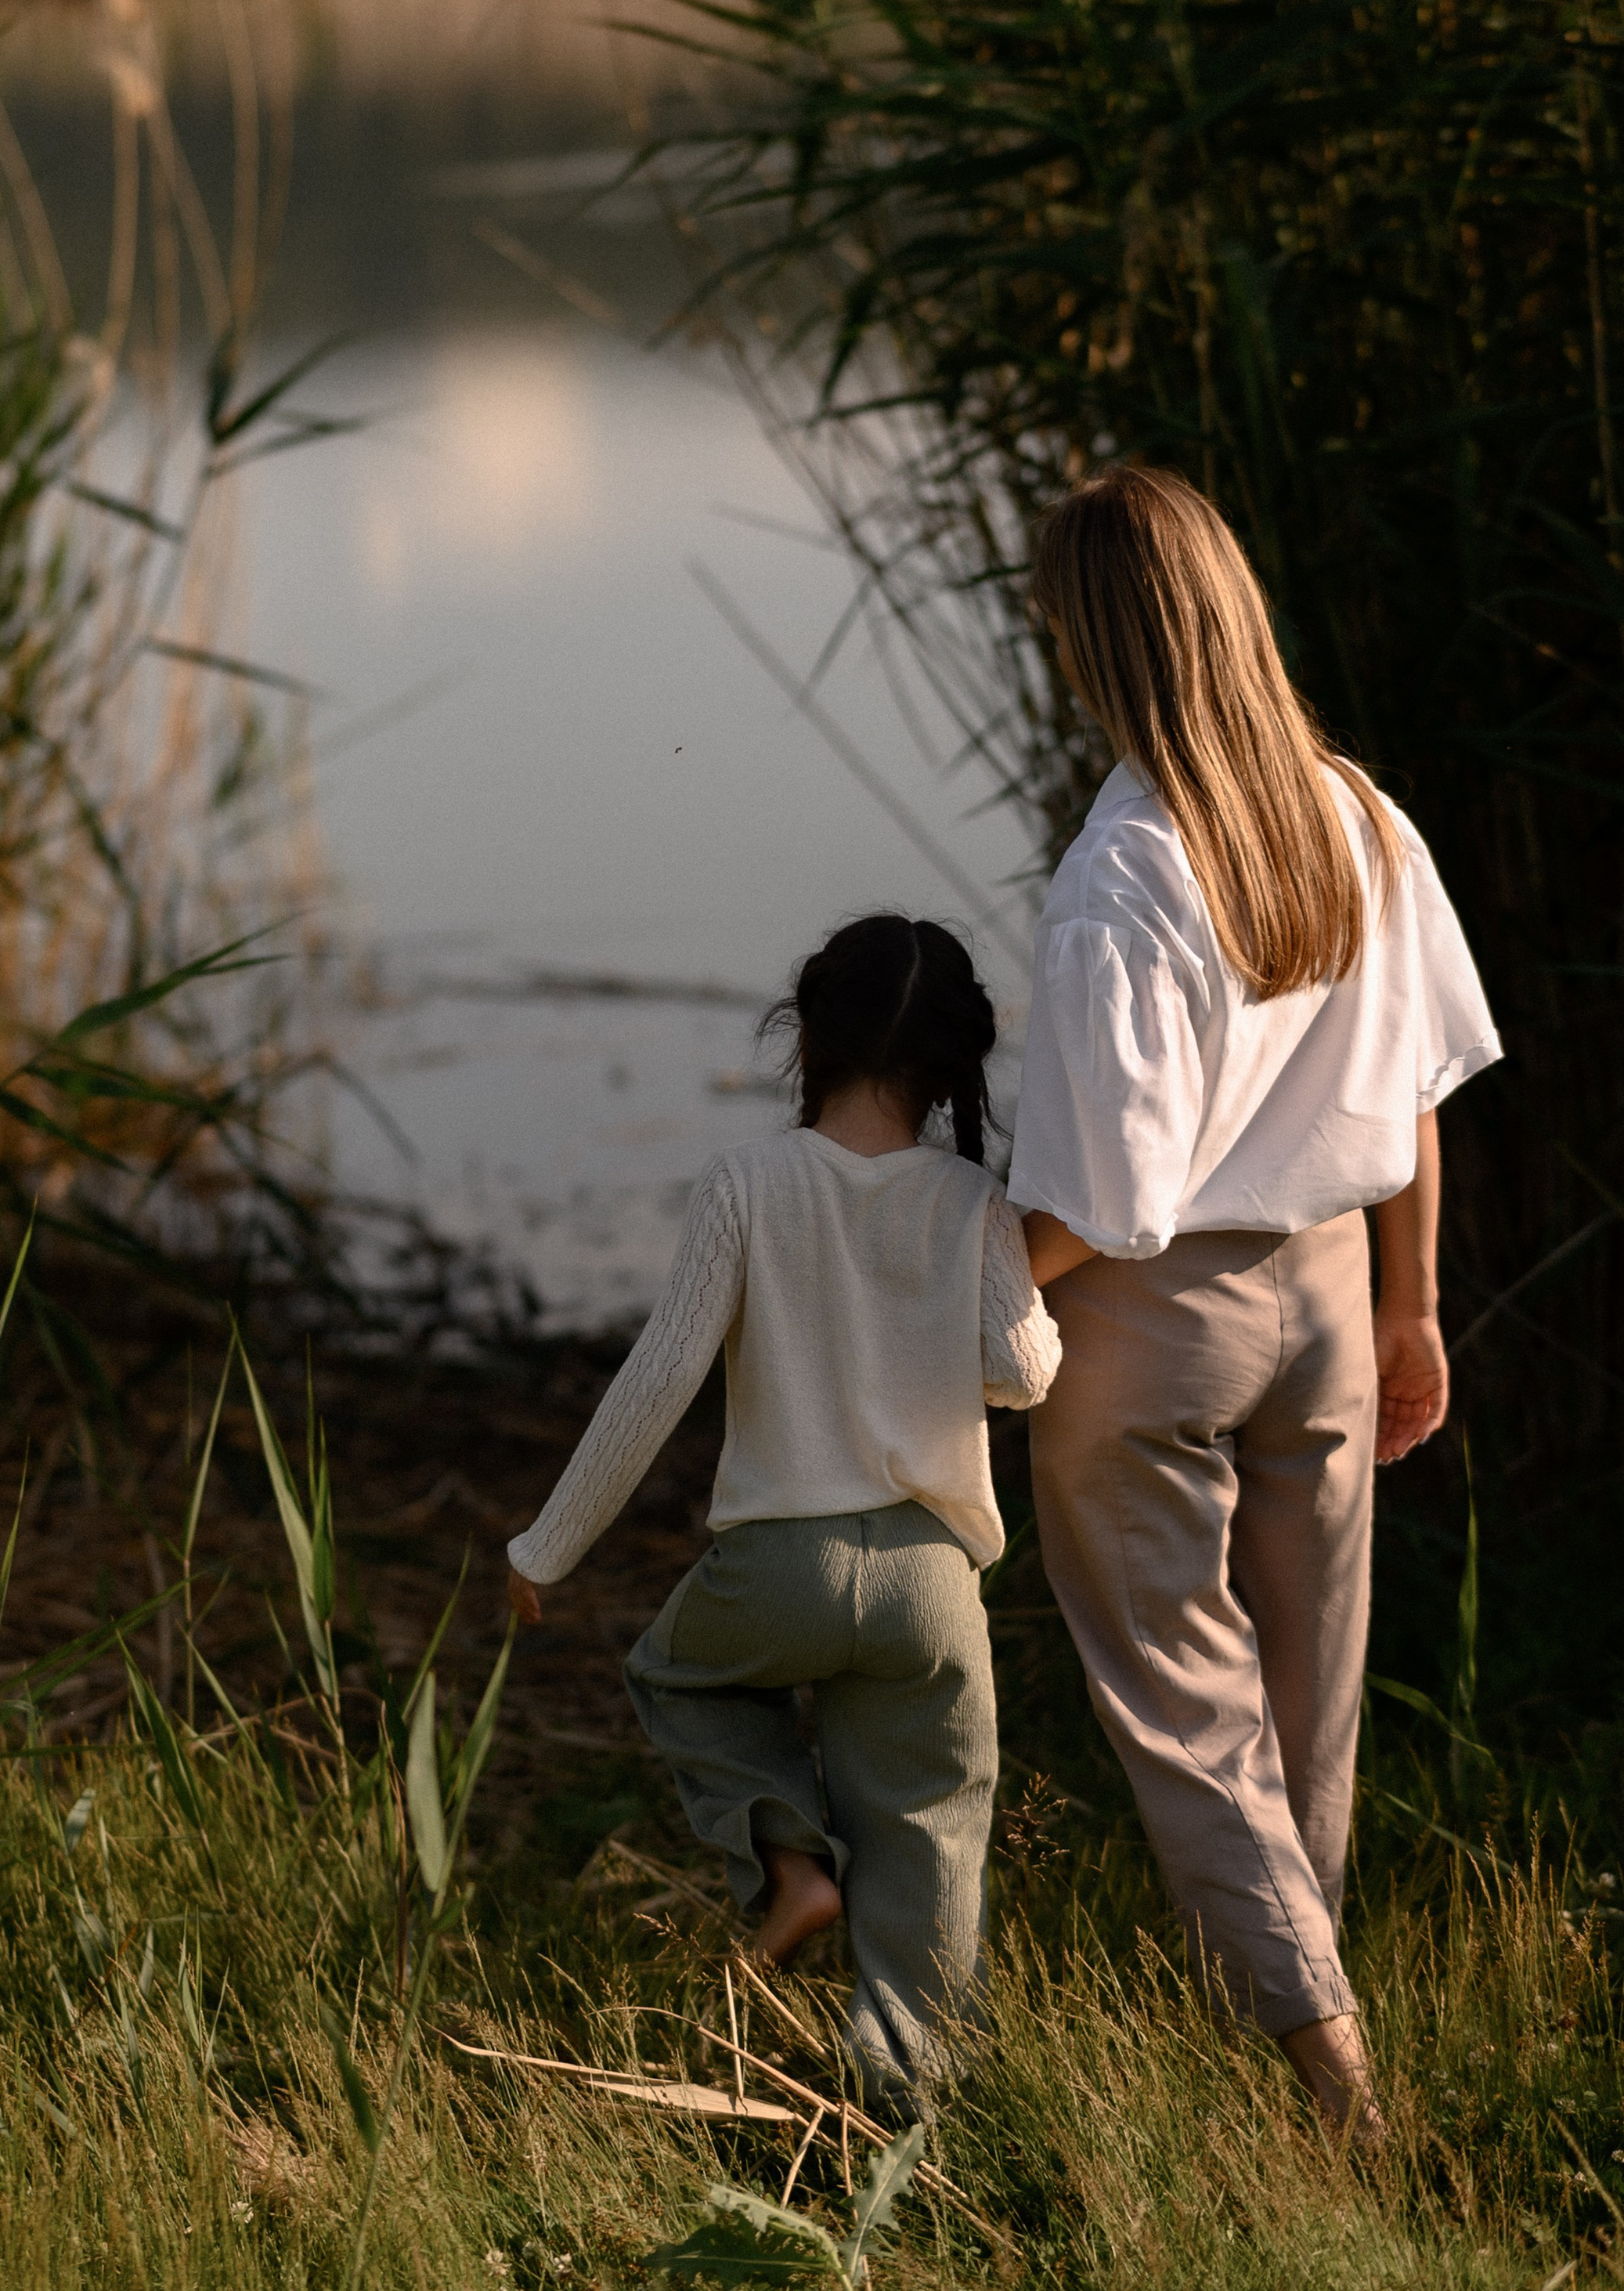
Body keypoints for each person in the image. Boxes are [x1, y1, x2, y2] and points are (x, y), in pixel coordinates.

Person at [1009, 465, 1500, 2137]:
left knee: (1186, 1700)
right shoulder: (1356, 814)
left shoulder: (1125, 870)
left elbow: (1106, 1201)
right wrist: (1411, 1306)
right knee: (1308, 1702)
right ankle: (1301, 2024)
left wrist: (936, 1298)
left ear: (1089, 643)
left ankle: (1330, 2075)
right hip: (1334, 1296)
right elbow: (1414, 1085)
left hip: (1154, 1324)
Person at [505, 913, 1059, 2096]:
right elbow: (1024, 1370)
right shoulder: (975, 1200)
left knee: (678, 1675)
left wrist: (546, 1548)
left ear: (805, 1037)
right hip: (930, 1585)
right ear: (954, 1065)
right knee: (929, 1835)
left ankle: (792, 1864)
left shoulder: (746, 1185)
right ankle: (905, 2104)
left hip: (777, 1568)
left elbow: (657, 1382)